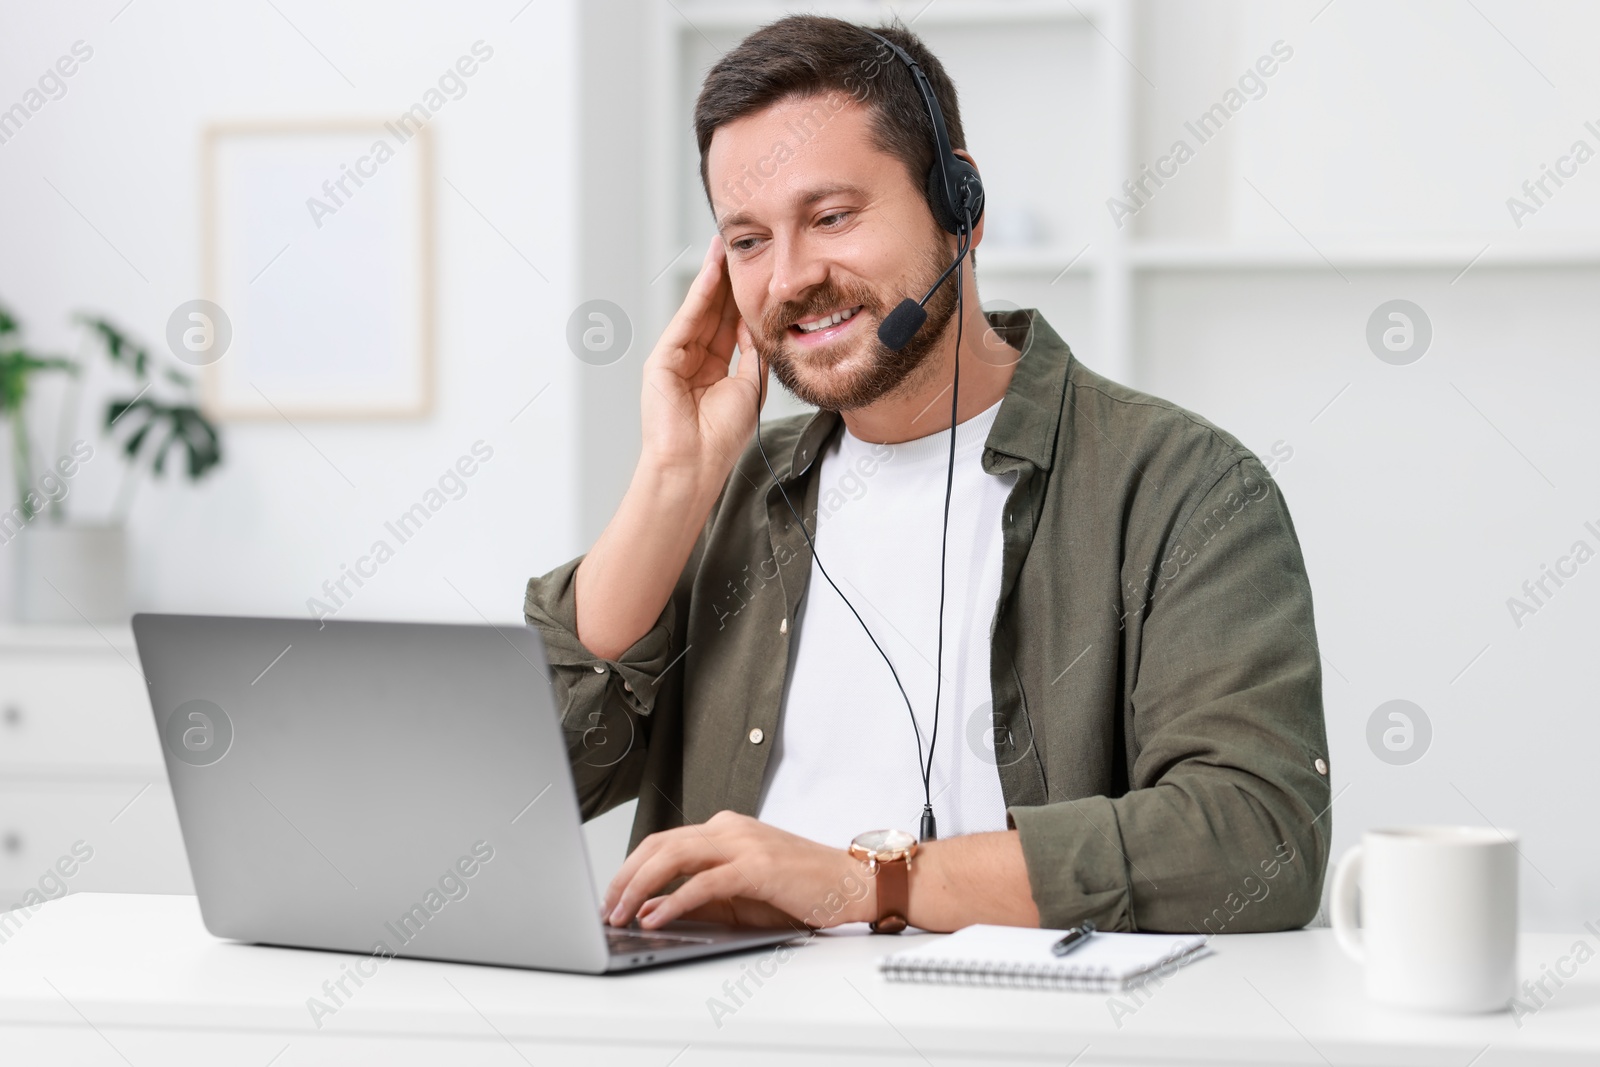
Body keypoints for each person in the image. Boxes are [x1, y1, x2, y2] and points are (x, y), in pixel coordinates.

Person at [525, 15, 1331, 936]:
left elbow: (1257, 839)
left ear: (962, 206)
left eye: (831, 217)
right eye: (748, 240)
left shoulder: (1181, 487)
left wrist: (865, 881)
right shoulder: (722, 500)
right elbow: (511, 791)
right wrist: (672, 479)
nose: (791, 277)